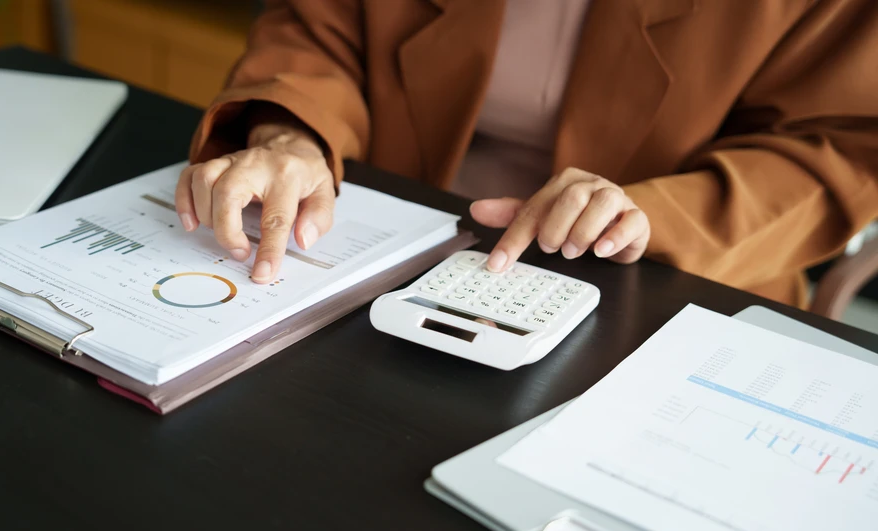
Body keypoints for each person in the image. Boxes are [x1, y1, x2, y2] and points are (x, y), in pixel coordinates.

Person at [176, 0, 878, 307]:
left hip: (680, 270)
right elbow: (319, 26)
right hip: (388, 238)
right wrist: (292, 133)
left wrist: (651, 213)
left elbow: (840, 144)